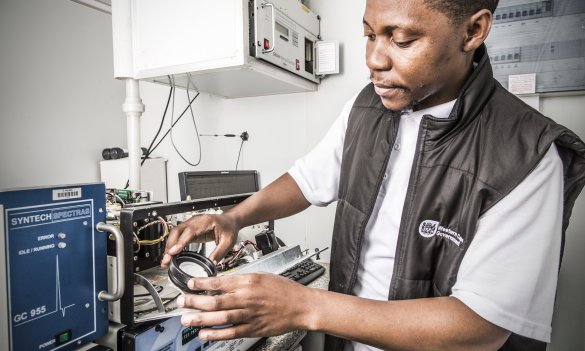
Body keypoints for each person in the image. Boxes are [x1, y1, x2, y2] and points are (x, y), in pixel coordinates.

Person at [161, 0, 585, 350]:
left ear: (473, 31)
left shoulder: (527, 154)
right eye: (369, 34)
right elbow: (308, 181)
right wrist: (235, 217)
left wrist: (305, 306)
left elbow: (481, 327)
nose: (373, 60)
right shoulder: (367, 106)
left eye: (402, 39)